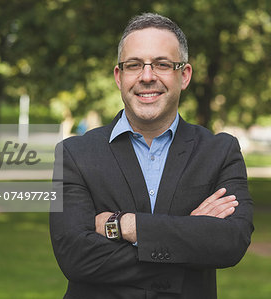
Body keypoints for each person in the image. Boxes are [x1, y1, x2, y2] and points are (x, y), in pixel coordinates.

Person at [50, 12, 253, 299]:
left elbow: (231, 242)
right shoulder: (75, 154)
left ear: (184, 75)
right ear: (119, 77)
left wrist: (125, 225)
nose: (147, 77)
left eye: (162, 64)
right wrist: (190, 235)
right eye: (134, 65)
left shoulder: (220, 151)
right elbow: (76, 258)